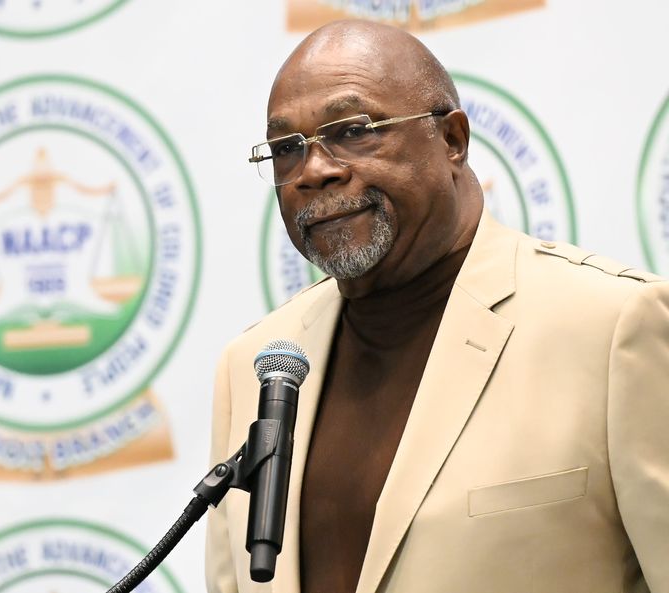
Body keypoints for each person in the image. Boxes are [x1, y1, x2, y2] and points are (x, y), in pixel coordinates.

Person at [206, 19, 669, 593]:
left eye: (353, 130)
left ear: (452, 139)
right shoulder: (254, 367)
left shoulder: (614, 326)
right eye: (286, 149)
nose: (315, 170)